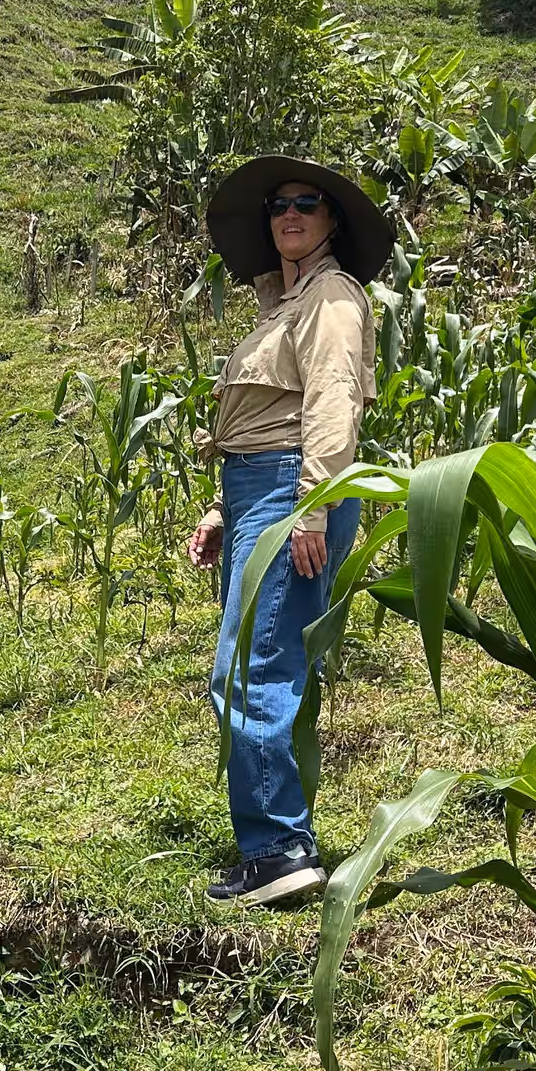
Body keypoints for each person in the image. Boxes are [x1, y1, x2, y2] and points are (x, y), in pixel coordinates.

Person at [186, 156, 391, 908]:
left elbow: (333, 404)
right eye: (279, 205)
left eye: (309, 204)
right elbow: (257, 417)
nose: (291, 214)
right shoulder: (280, 306)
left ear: (333, 221)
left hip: (290, 491)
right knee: (254, 661)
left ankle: (277, 850)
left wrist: (312, 506)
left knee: (249, 668)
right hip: (256, 491)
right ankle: (276, 842)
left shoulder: (332, 297)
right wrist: (221, 508)